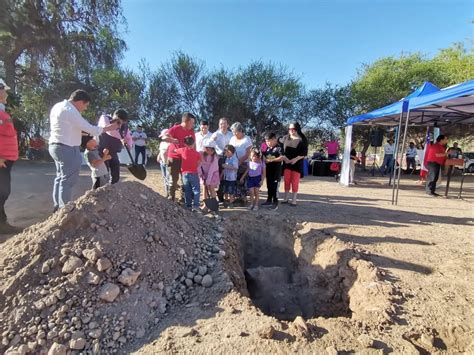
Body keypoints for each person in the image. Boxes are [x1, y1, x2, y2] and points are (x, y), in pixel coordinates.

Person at [49, 90, 118, 211]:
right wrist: (108, 128)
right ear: (80, 102)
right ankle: (65, 208)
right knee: (68, 180)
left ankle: (57, 206)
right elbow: (90, 128)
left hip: (55, 146)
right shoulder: (71, 111)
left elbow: (69, 128)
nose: (85, 109)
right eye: (85, 106)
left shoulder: (58, 106)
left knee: (60, 177)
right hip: (67, 148)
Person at [0, 78, 22, 234]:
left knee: (3, 192)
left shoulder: (1, 110)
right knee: (2, 192)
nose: (6, 93)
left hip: (6, 160)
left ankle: (2, 223)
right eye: (4, 90)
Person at [162, 113, 196, 201]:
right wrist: (173, 140)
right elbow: (164, 137)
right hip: (174, 157)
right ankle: (171, 198)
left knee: (185, 179)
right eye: (192, 122)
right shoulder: (175, 128)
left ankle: (183, 198)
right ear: (186, 121)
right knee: (173, 178)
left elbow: (193, 144)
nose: (193, 125)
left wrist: (194, 156)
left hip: (185, 158)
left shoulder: (191, 131)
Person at [97, 109, 133, 184]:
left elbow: (128, 137)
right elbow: (108, 130)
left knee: (116, 173)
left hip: (113, 152)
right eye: (119, 121)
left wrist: (129, 145)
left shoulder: (124, 126)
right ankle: (99, 192)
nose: (120, 124)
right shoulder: (105, 118)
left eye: (122, 122)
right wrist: (121, 138)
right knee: (103, 174)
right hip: (101, 151)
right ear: (114, 117)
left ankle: (113, 190)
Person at [281, 122, 308, 206]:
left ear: (297, 129)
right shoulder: (285, 138)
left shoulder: (302, 139)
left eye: (293, 129)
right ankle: (286, 198)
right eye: (289, 129)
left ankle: (294, 200)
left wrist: (295, 159)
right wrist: (285, 159)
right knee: (286, 181)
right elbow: (281, 150)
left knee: (295, 181)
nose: (291, 131)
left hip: (296, 164)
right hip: (286, 163)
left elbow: (304, 153)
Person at [174, 136, 201, 211]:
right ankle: (196, 206)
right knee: (196, 190)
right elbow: (199, 162)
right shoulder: (197, 153)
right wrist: (195, 166)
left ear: (185, 144)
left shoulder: (182, 150)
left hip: (184, 174)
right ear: (193, 143)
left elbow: (175, 150)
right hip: (194, 173)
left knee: (187, 190)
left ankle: (188, 205)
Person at [211, 117, 233, 201]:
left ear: (228, 125)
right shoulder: (215, 134)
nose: (222, 125)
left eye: (224, 123)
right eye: (221, 124)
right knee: (219, 177)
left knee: (228, 177)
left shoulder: (231, 135)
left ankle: (229, 197)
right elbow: (210, 145)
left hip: (229, 158)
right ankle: (220, 196)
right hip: (219, 158)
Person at [229, 122, 253, 202]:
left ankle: (244, 198)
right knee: (235, 180)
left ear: (240, 131)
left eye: (235, 131)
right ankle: (237, 197)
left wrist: (239, 161)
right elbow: (230, 150)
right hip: (234, 162)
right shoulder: (232, 139)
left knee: (243, 181)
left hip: (244, 164)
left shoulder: (247, 139)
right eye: (233, 131)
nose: (234, 133)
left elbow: (248, 153)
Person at [262, 132, 284, 210]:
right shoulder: (265, 147)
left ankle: (275, 203)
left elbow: (282, 157)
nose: (267, 143)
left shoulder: (279, 147)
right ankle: (269, 200)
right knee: (269, 186)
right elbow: (262, 154)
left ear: (274, 139)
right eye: (266, 141)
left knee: (275, 188)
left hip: (276, 172)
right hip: (268, 171)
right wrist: (264, 159)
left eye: (269, 141)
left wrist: (271, 160)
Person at [199, 140, 220, 210]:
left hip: (213, 174)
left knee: (211, 188)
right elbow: (199, 165)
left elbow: (211, 170)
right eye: (207, 149)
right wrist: (201, 173)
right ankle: (205, 204)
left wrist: (208, 180)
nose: (209, 151)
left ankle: (213, 204)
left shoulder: (214, 158)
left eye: (211, 150)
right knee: (204, 187)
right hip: (204, 174)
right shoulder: (201, 155)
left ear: (214, 150)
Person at [157, 128, 170, 197]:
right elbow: (160, 151)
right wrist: (159, 156)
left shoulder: (170, 143)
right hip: (162, 162)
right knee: (164, 177)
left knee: (168, 178)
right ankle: (167, 192)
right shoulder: (162, 143)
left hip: (168, 164)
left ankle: (170, 193)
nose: (162, 137)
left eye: (163, 136)